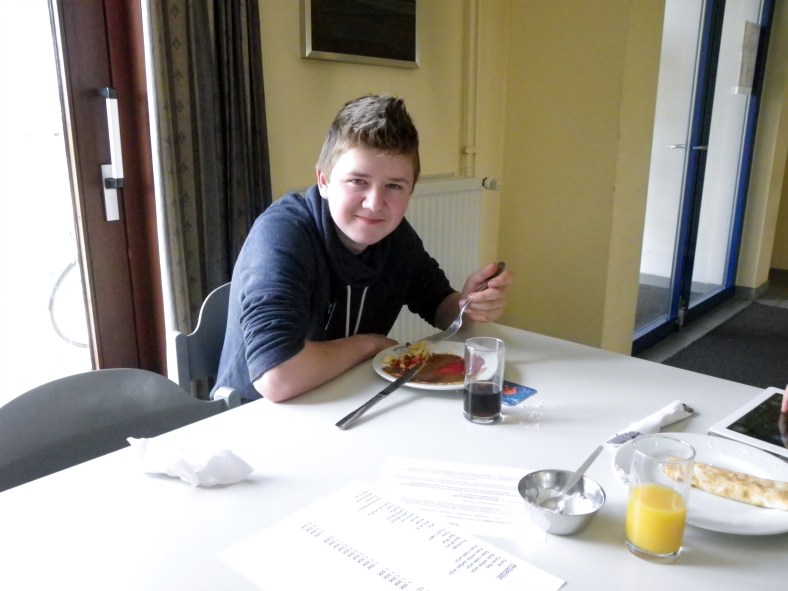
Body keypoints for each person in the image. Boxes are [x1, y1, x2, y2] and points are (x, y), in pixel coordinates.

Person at [213, 95, 512, 403]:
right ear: (324, 181)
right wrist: (371, 345)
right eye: (358, 181)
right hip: (254, 415)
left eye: (394, 186)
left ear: (411, 190)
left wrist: (467, 305)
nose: (374, 203)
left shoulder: (397, 238)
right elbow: (277, 377)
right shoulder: (282, 234)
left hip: (345, 398)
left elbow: (440, 307)